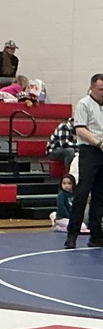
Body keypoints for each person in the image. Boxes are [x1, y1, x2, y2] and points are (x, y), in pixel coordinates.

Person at [65, 73, 103, 249]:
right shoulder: (84, 104)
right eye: (101, 89)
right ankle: (72, 235)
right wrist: (99, 143)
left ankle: (96, 235)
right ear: (92, 88)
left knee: (100, 195)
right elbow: (80, 129)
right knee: (82, 193)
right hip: (89, 151)